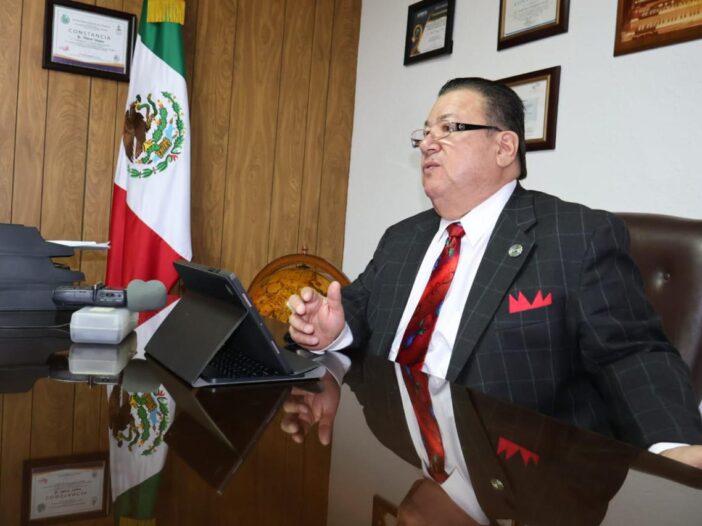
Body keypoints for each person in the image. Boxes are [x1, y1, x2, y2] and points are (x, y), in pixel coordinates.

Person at [287, 77, 702, 466]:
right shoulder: (402, 238)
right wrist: (333, 329)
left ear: (504, 148)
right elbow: (359, 305)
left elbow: (629, 353)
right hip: (395, 448)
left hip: (520, 473)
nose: (428, 143)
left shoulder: (577, 236)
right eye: (425, 133)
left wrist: (671, 446)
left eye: (448, 128)